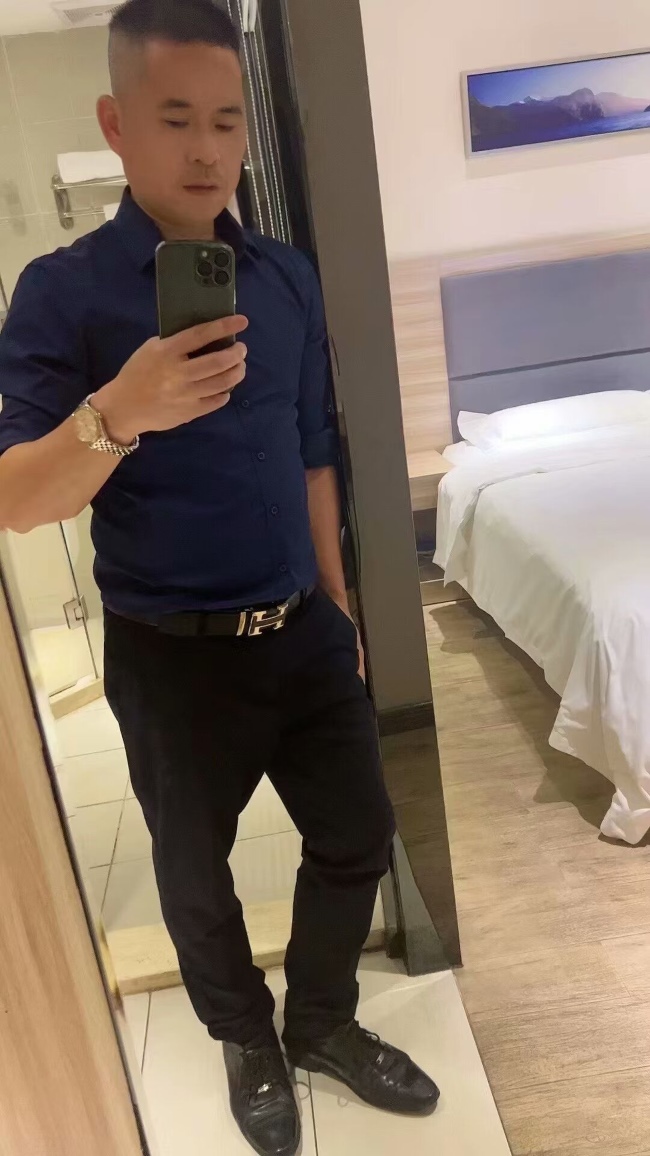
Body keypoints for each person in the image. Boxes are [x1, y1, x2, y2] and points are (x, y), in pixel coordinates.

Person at [0, 2, 439, 1152]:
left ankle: (321, 1020)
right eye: (175, 118)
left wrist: (336, 600)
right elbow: (17, 498)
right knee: (195, 883)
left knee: (357, 835)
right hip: (170, 656)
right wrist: (118, 411)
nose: (207, 150)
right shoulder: (59, 293)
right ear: (116, 124)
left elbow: (310, 448)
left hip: (302, 628)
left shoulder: (284, 278)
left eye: (226, 121)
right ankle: (246, 1037)